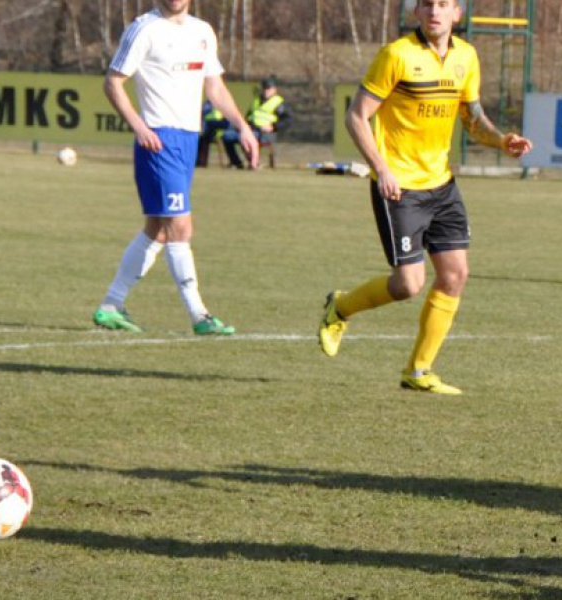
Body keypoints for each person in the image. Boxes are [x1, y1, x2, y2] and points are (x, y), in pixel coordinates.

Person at [317, 0, 532, 395]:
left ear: (457, 14)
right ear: (417, 12)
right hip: (400, 187)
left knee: (455, 275)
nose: (435, 10)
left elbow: (472, 119)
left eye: (444, 4)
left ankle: (418, 371)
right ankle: (341, 307)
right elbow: (356, 116)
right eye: (427, 4)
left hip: (442, 185)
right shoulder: (396, 55)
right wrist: (381, 168)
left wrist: (502, 140)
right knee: (408, 285)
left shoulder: (466, 57)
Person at [93, 0, 257, 335]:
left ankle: (111, 305)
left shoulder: (202, 31)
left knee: (158, 228)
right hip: (159, 138)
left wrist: (241, 125)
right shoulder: (144, 29)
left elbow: (214, 86)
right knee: (180, 227)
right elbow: (113, 82)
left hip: (188, 139)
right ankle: (199, 315)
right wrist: (139, 126)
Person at [224, 77, 291, 169]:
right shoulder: (256, 100)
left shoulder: (279, 103)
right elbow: (248, 116)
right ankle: (237, 163)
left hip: (265, 133)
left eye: (268, 89)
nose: (265, 91)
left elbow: (287, 120)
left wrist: (273, 127)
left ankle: (254, 163)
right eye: (264, 88)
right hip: (251, 129)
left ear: (274, 89)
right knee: (227, 136)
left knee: (249, 138)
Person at [195, 99, 229, 167]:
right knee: (201, 138)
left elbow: (226, 123)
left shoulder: (222, 104)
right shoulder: (206, 105)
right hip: (207, 129)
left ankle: (201, 162)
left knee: (205, 136)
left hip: (217, 130)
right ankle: (199, 162)